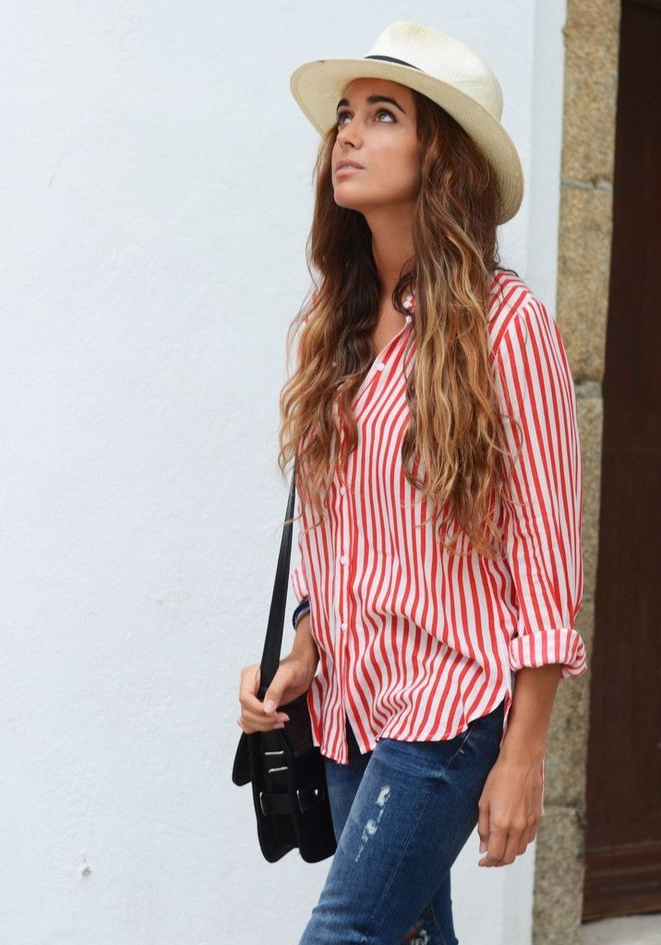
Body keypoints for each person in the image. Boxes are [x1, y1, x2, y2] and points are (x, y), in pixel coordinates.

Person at [237, 20, 587, 945]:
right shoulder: (336, 320)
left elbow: (545, 562)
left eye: (382, 115)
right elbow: (339, 532)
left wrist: (524, 756)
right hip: (352, 702)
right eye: (345, 116)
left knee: (345, 934)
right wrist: (306, 646)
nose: (347, 134)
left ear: (444, 157)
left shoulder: (507, 329)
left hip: (449, 711)